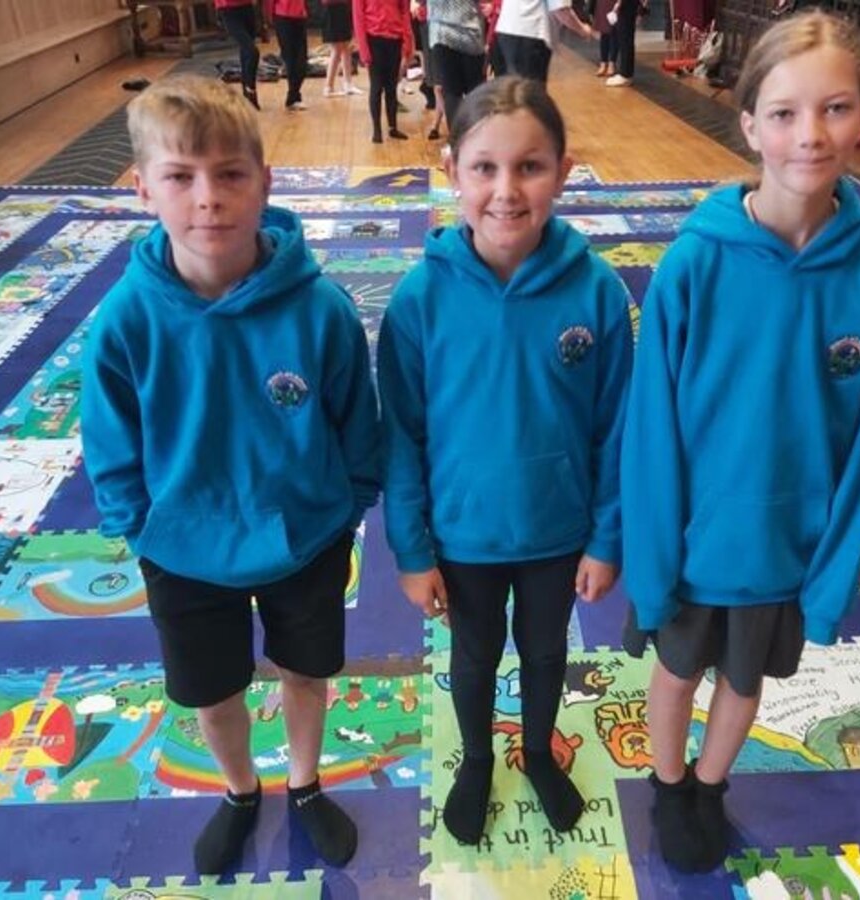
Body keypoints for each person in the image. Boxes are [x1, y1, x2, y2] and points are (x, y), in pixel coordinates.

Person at [619, 9, 860, 874]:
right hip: (694, 542)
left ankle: (709, 787)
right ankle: (668, 781)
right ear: (749, 125)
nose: (810, 135)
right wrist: (653, 561)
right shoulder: (694, 264)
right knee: (677, 674)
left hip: (786, 549)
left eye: (834, 109)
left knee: (743, 683)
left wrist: (831, 576)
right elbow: (651, 428)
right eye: (785, 113)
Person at [81, 74, 382, 875]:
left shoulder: (319, 309)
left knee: (307, 672)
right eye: (180, 177)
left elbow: (356, 419)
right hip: (182, 550)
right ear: (144, 188)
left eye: (229, 174)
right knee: (211, 692)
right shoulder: (126, 321)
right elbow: (110, 441)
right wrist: (142, 526)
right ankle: (241, 789)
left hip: (304, 537)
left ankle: (305, 782)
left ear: (265, 182)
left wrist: (346, 508)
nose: (208, 198)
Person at [377, 76, 633, 845]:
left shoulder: (597, 292)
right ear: (452, 169)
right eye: (484, 168)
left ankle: (539, 753)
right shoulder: (419, 299)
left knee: (547, 651)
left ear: (563, 171)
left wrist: (607, 538)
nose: (506, 190)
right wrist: (412, 550)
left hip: (559, 533)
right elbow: (401, 437)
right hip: (464, 537)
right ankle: (479, 759)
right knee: (475, 654)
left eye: (530, 166)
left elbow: (617, 427)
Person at [354, 0, 416, 142]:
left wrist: (407, 40)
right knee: (376, 87)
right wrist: (363, 50)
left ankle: (393, 127)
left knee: (391, 87)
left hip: (394, 38)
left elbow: (404, 11)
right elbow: (358, 17)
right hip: (374, 39)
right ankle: (377, 130)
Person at [423, 0, 488, 129]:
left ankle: (456, 138)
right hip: (470, 35)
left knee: (451, 92)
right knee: (475, 92)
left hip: (441, 34)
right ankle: (476, 136)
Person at [492, 0, 594, 81]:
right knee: (529, 92)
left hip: (505, 31)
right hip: (530, 34)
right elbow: (561, 10)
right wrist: (583, 30)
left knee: (509, 91)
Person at [215, 0, 264, 109]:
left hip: (247, 7)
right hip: (228, 10)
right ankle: (251, 90)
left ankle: (247, 96)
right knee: (252, 52)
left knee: (246, 51)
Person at [272, 0, 312, 109]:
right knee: (291, 59)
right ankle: (293, 97)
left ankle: (294, 95)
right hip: (282, 17)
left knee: (302, 62)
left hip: (300, 17)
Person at [321, 0, 364, 96]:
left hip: (342, 6)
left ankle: (348, 84)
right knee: (336, 49)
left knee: (346, 47)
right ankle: (328, 87)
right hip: (332, 7)